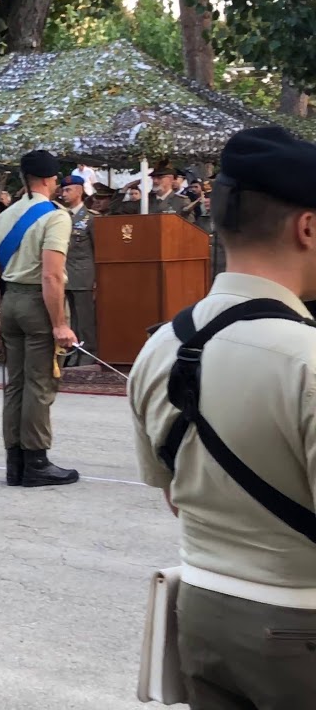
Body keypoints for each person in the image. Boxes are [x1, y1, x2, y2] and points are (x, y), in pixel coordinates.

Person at [129, 126, 316, 708]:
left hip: (202, 611)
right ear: (307, 227)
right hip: (297, 625)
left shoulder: (158, 347)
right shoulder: (307, 361)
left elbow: (175, 495)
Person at [0, 150, 80, 488]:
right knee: (39, 383)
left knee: (16, 384)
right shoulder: (55, 216)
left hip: (9, 301)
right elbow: (52, 276)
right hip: (39, 303)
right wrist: (59, 323)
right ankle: (36, 460)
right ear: (51, 181)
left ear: (23, 180)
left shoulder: (2, 218)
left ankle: (15, 461)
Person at [59, 175, 98, 365]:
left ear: (80, 191)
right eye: (63, 190)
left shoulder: (91, 218)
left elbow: (98, 250)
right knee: (72, 318)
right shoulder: (62, 216)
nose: (64, 194)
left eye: (68, 190)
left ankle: (88, 352)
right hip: (66, 274)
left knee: (85, 318)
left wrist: (97, 279)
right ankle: (75, 351)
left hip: (84, 274)